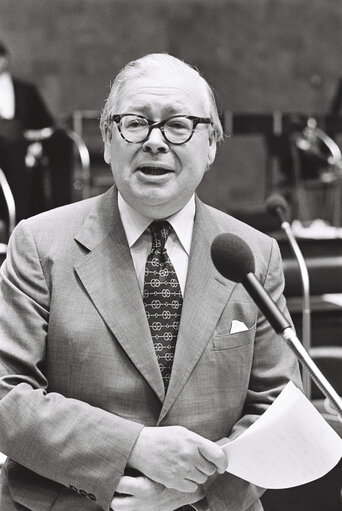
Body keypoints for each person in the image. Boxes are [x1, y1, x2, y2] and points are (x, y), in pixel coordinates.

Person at [0, 53, 301, 511]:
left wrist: (193, 486)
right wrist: (134, 447)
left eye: (179, 125)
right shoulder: (40, 245)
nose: (155, 142)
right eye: (135, 123)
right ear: (106, 140)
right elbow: (7, 395)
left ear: (212, 145)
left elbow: (279, 407)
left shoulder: (253, 254)